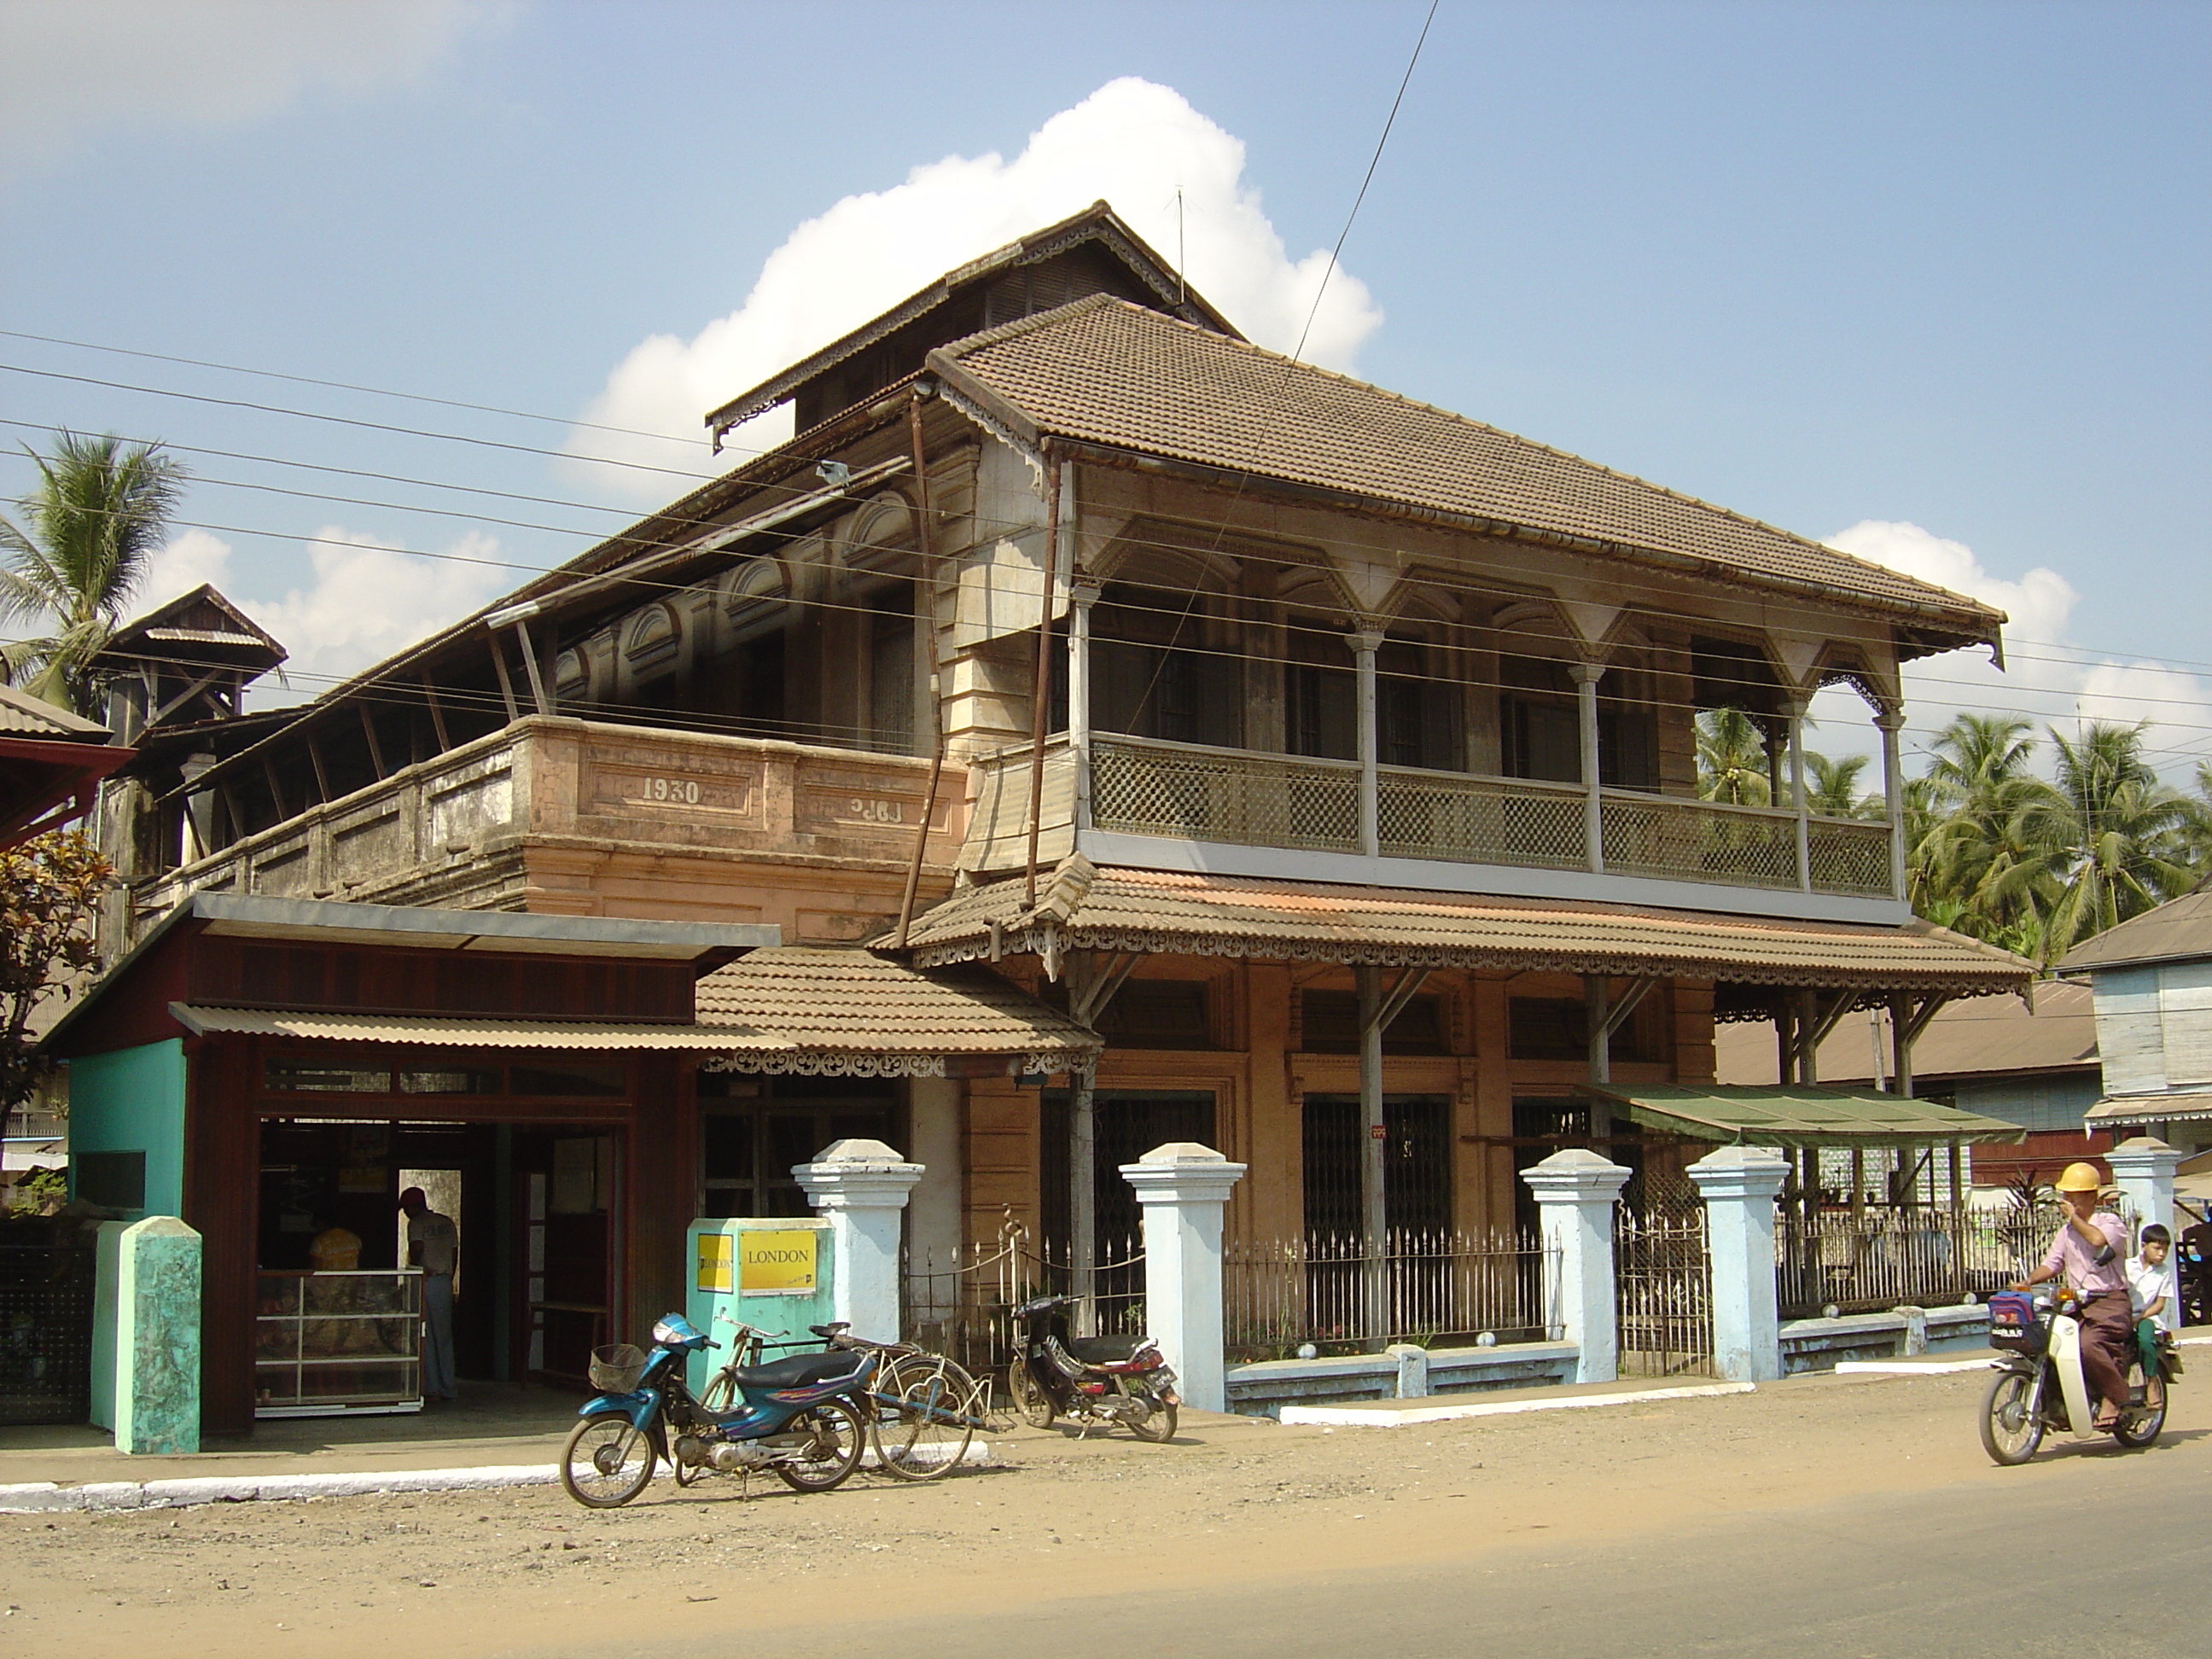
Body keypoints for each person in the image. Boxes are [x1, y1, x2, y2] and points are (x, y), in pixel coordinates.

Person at [2017, 1162, 2133, 1430]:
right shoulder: (2067, 1231)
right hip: (2079, 1304)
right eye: (2065, 1196)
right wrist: (2028, 1281)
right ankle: (2062, 1406)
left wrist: (2075, 1219)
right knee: (2052, 1346)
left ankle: (2114, 1397)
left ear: (2092, 1196)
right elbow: (2053, 1263)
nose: (2068, 1201)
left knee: (2088, 1345)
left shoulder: (2110, 1223)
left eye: (2074, 1196)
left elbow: (2097, 1241)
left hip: (2110, 1303)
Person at [399, 1187, 458, 1403]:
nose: (405, 1213)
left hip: (426, 1279)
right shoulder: (446, 1222)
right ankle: (449, 1387)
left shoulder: (416, 1224)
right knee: (444, 1336)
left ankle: (432, 1388)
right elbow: (454, 1252)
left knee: (426, 1335)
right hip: (443, 1279)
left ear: (414, 1207)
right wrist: (449, 1276)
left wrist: (412, 1275)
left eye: (406, 1208)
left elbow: (417, 1249)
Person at [2128, 1223, 2179, 1381]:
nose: (2161, 1254)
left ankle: (2151, 1381)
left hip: (2147, 1317)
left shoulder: (2164, 1272)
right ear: (2144, 1246)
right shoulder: (2127, 1266)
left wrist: (2139, 1318)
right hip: (2123, 1315)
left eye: (2165, 1250)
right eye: (2157, 1248)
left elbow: (2159, 1305)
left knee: (2146, 1341)